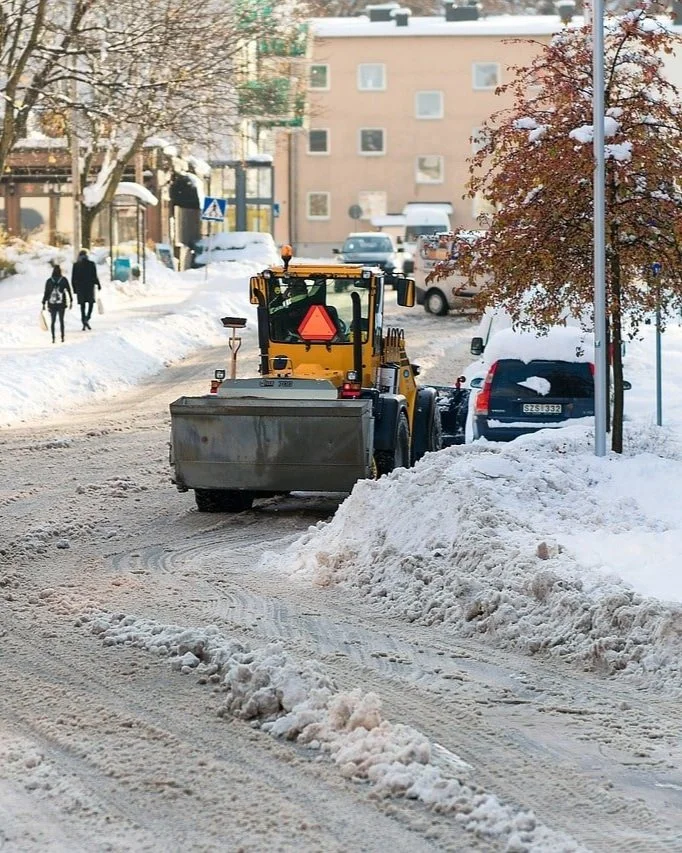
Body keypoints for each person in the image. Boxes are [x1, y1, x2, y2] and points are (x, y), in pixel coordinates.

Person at [42, 265, 73, 343]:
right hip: (61, 303)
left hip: (51, 304)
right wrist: (71, 300)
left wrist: (43, 302)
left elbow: (46, 293)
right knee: (61, 320)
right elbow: (69, 290)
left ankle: (53, 338)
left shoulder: (49, 281)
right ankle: (62, 337)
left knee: (53, 321)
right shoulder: (64, 280)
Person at [71, 249, 101, 330]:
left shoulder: (76, 265)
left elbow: (73, 278)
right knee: (91, 303)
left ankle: (83, 320)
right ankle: (87, 318)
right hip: (89, 287)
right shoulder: (91, 264)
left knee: (82, 305)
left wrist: (74, 289)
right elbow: (94, 276)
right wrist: (98, 285)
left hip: (80, 288)